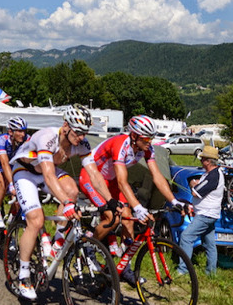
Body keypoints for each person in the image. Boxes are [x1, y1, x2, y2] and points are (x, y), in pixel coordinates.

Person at [9, 104, 115, 300]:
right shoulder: (47, 137)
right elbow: (49, 176)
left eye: (85, 132)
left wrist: (110, 201)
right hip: (25, 172)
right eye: (78, 132)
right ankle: (24, 276)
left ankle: (58, 240)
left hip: (46, 171)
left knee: (72, 190)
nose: (82, 137)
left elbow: (94, 175)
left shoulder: (81, 144)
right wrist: (66, 203)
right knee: (36, 220)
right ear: (66, 125)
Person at [79, 114, 188, 285]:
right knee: (111, 217)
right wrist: (139, 206)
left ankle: (124, 267)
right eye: (146, 138)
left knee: (129, 220)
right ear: (134, 135)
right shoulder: (120, 144)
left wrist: (175, 201)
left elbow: (158, 176)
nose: (149, 142)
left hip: (111, 181)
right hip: (92, 178)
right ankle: (89, 247)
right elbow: (123, 181)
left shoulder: (147, 149)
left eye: (151, 138)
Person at [177, 145, 225, 276]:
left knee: (186, 237)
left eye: (202, 159)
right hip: (208, 213)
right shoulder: (211, 174)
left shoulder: (213, 176)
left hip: (206, 214)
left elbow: (196, 192)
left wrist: (193, 184)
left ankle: (183, 269)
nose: (201, 161)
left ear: (208, 161)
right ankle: (211, 272)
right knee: (209, 243)